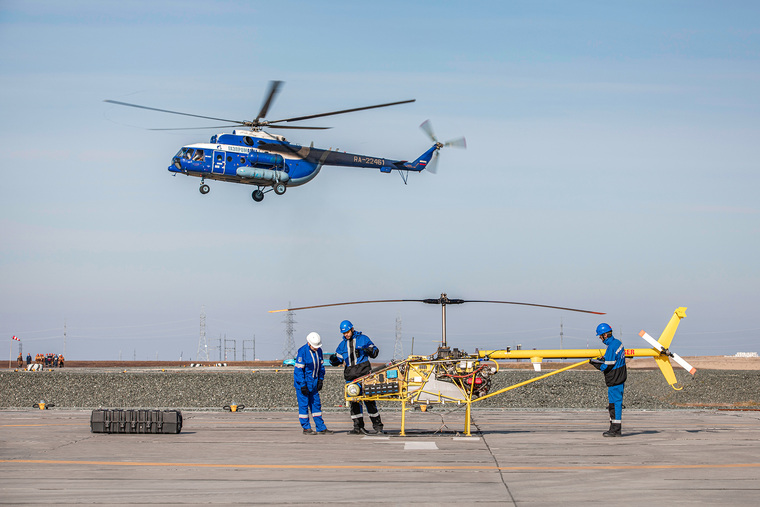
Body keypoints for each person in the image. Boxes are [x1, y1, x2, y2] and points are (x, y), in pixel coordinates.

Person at [329, 320, 383, 435]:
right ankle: (357, 427)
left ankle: (378, 426)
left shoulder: (363, 339)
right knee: (354, 402)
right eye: (344, 333)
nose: (346, 335)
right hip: (351, 376)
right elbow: (338, 360)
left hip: (364, 375)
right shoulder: (342, 345)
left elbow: (374, 352)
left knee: (369, 400)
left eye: (347, 332)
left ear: (352, 329)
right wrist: (333, 360)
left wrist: (368, 350)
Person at [590, 323, 627, 437]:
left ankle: (615, 430)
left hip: (614, 380)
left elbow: (607, 366)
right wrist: (603, 359)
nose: (600, 338)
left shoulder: (611, 347)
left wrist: (595, 364)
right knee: (616, 404)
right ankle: (615, 429)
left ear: (605, 335)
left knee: (614, 405)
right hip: (620, 378)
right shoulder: (617, 343)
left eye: (600, 336)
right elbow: (613, 359)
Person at [294, 332, 333, 435]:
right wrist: (302, 385)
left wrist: (320, 379)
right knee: (304, 405)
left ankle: (320, 427)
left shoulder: (319, 351)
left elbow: (321, 367)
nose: (316, 348)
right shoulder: (302, 352)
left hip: (314, 382)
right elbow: (298, 371)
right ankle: (306, 428)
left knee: (316, 405)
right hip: (303, 383)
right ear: (309, 343)